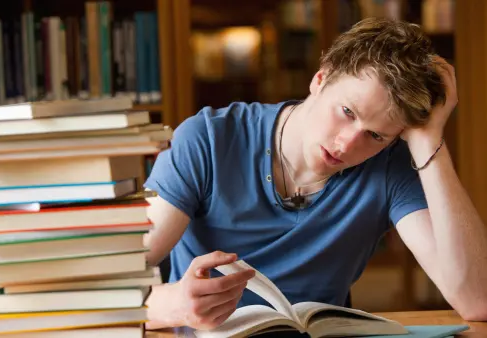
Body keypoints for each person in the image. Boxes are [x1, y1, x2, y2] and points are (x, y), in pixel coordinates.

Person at [143, 17, 487, 330]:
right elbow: (99, 290)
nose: (347, 145)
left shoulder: (389, 165)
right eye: (347, 111)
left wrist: (430, 142)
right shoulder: (208, 140)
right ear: (320, 79)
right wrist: (172, 305)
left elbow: (477, 299)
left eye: (376, 135)